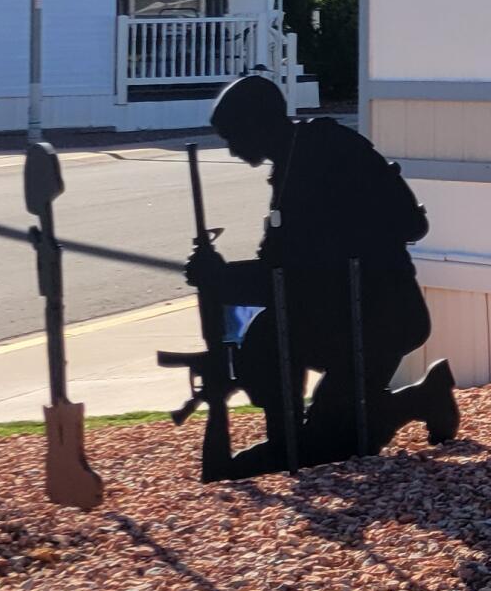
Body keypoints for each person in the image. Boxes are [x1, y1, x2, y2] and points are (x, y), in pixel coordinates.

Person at [187, 75, 458, 475]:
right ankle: (286, 436)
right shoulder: (288, 167)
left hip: (380, 317)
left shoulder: (327, 151)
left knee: (333, 446)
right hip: (333, 318)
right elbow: (281, 273)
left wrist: (225, 278)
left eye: (234, 137)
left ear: (257, 124)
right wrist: (220, 277)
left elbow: (300, 269)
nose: (231, 149)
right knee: (266, 338)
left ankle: (420, 399)